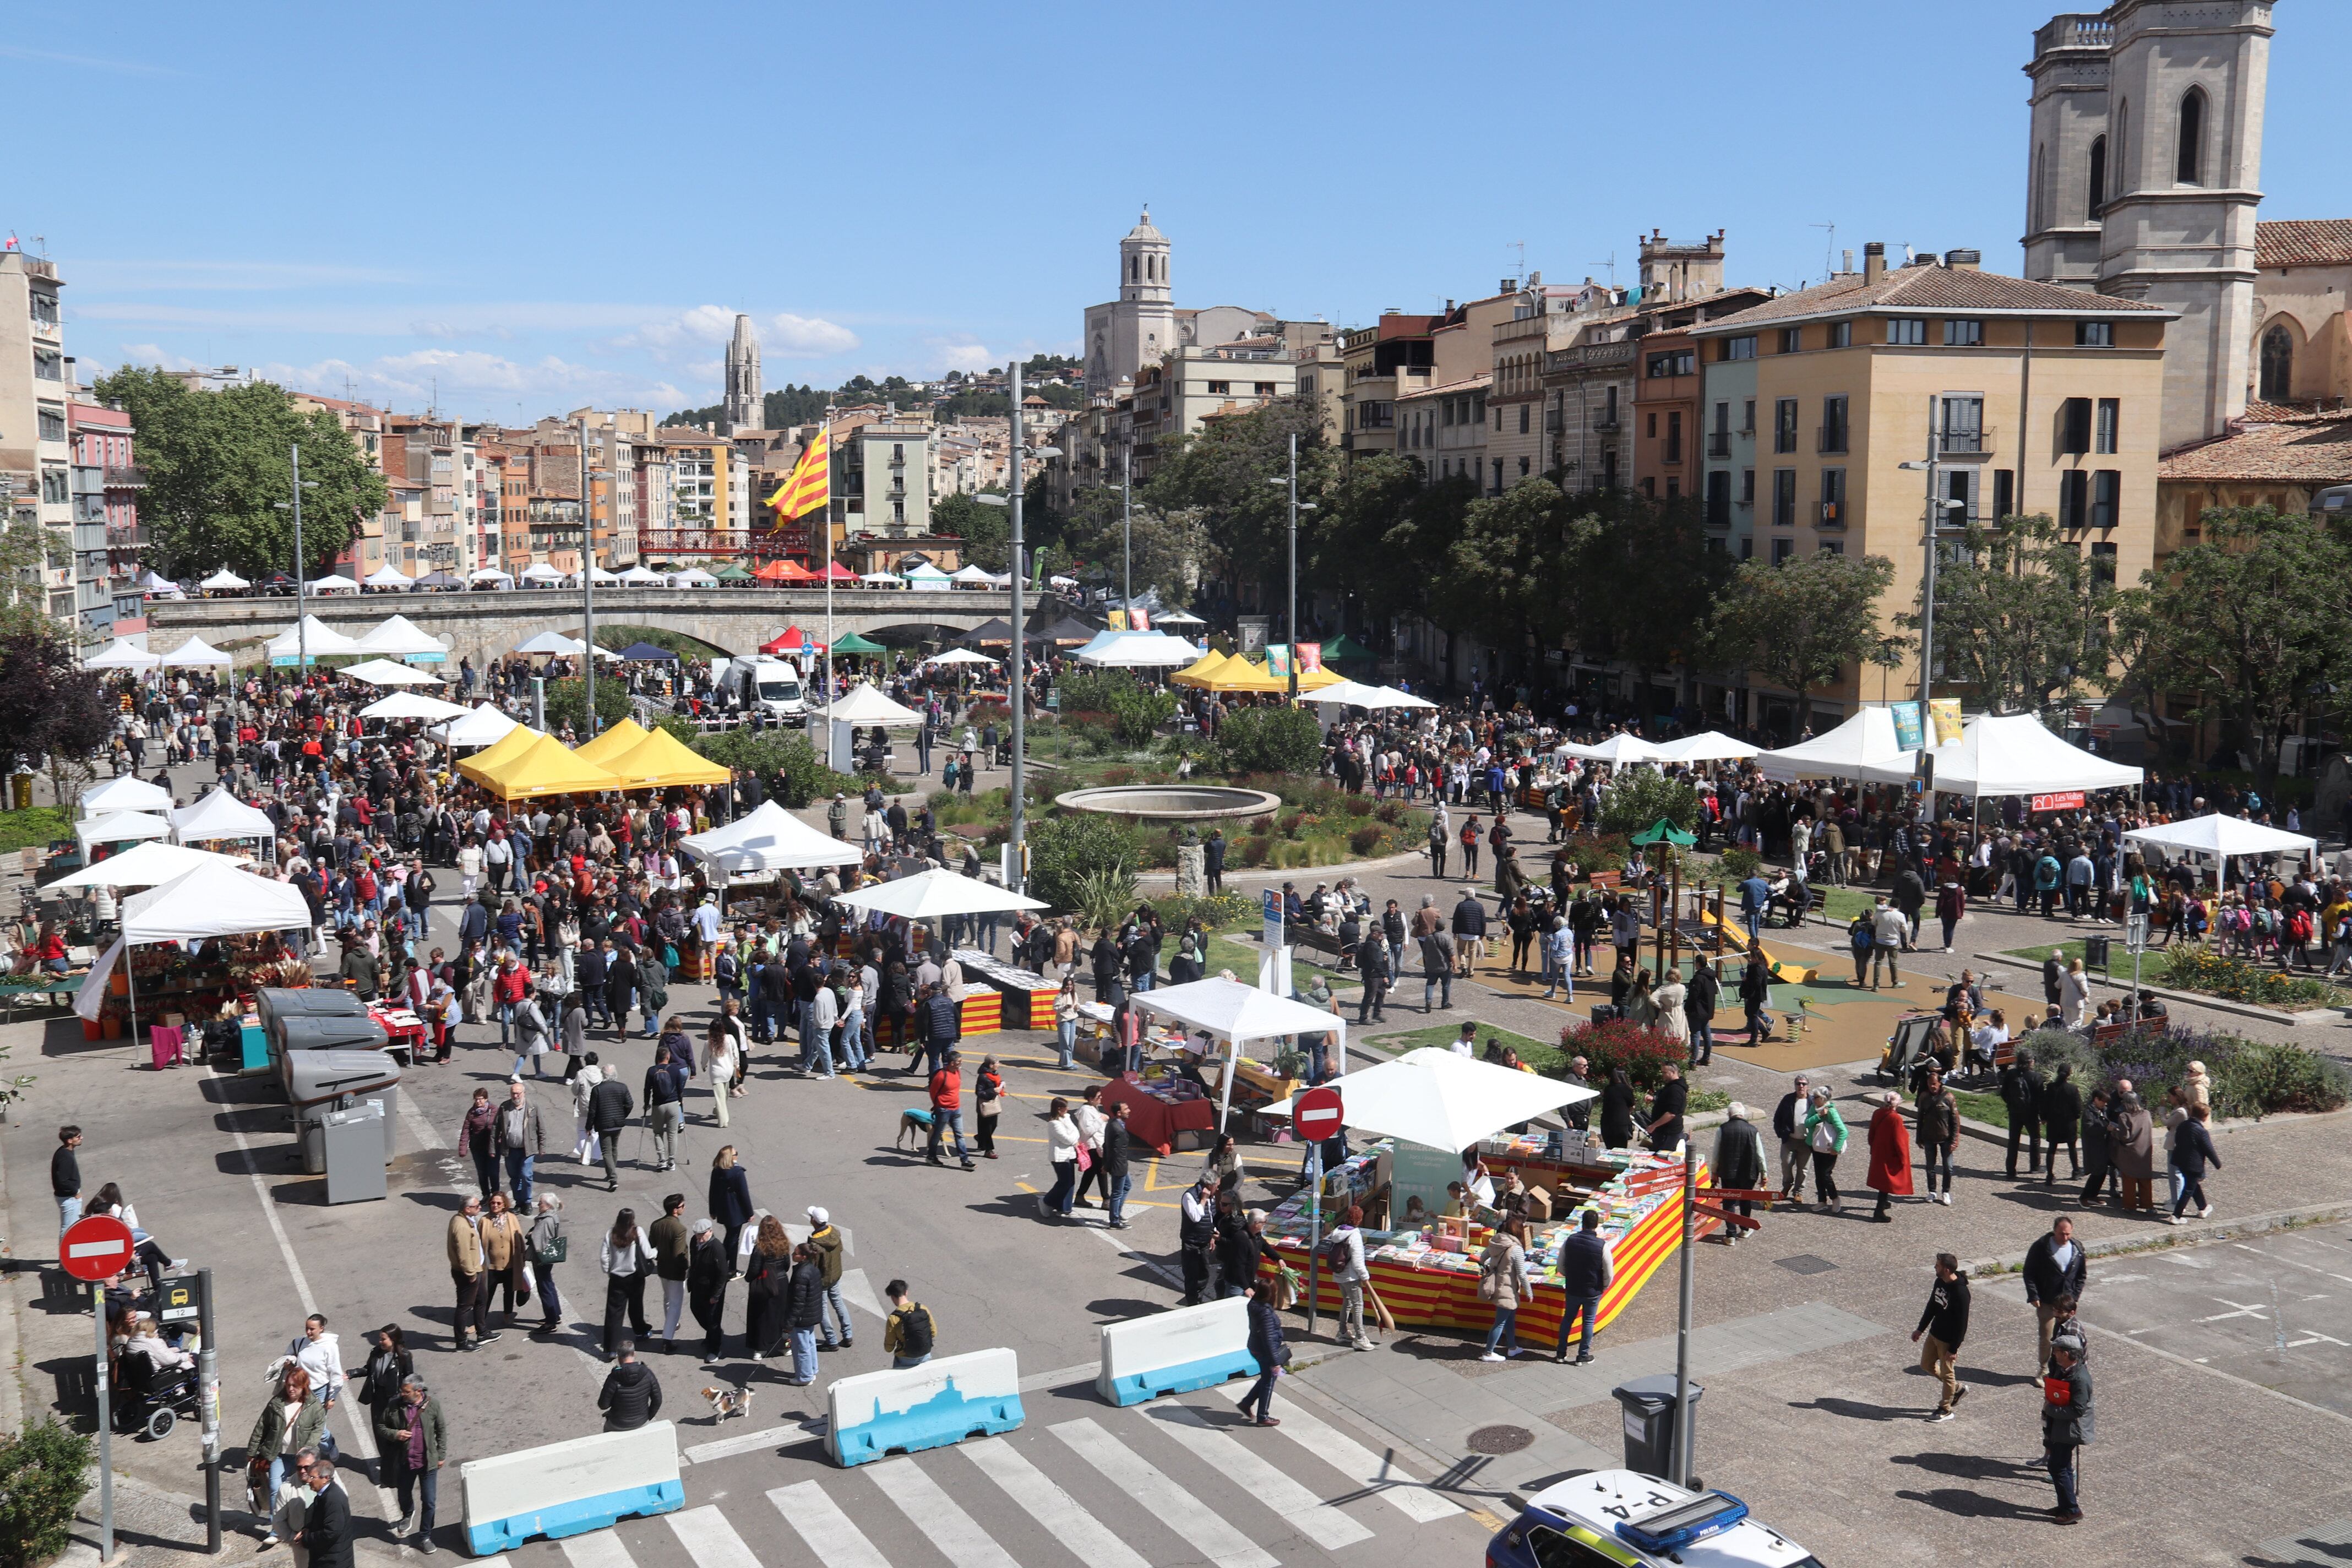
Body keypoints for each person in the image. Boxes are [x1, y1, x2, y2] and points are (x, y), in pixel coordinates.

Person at [247, 1364, 327, 1531]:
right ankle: (276, 1529)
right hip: (278, 1455)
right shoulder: (277, 1403)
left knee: (303, 1491)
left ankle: (304, 1525)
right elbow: (262, 1426)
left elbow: (318, 1427)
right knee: (276, 1490)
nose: (291, 1389)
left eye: (295, 1386)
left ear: (304, 1386)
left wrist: (308, 1447)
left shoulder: (314, 1406)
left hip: (302, 1459)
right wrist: (252, 1451)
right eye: (288, 1385)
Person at [374, 1375, 447, 1553]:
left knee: (429, 1502)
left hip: (427, 1462)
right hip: (405, 1462)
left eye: (406, 1392)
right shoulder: (395, 1405)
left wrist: (441, 1455)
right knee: (404, 1494)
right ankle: (408, 1513)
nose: (402, 1394)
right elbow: (381, 1426)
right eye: (402, 1390)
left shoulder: (433, 1405)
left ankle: (425, 1537)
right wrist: (396, 1434)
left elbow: (441, 1429)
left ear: (418, 1392)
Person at [2024, 1216, 2088, 1374]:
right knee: (2047, 1338)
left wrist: (2075, 1297)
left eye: (2068, 1234)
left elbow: (2081, 1275)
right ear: (2054, 1231)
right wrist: (2034, 1295)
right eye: (2062, 1234)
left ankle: (2063, 1368)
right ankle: (2043, 1369)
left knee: (2067, 1338)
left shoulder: (2077, 1249)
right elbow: (2029, 1271)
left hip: (2066, 1303)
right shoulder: (2041, 1247)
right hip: (2046, 1301)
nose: (2065, 1237)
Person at [1913, 1254, 1972, 1423]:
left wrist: (1954, 1349)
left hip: (1948, 1341)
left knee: (1948, 1375)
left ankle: (1946, 1409)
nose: (1935, 1268)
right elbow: (1932, 1305)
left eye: (1937, 1266)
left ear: (1946, 1270)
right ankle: (1957, 1389)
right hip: (1934, 1334)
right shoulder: (1940, 1282)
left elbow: (1962, 1325)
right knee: (1926, 1365)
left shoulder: (1961, 1293)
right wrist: (1920, 1329)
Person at [2041, 1336, 2094, 1525]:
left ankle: (2072, 1509)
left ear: (2066, 1354)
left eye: (2056, 1352)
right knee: (2060, 1466)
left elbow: (2078, 1410)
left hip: (2070, 1431)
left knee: (2058, 1467)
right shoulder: (2065, 1370)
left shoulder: (2080, 1378)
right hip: (2061, 1427)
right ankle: (2065, 1505)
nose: (2054, 1355)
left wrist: (2051, 1409)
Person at [1552, 1209, 1611, 1364]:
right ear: (1596, 1225)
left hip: (1573, 1288)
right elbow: (1609, 1272)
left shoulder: (1570, 1241)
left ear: (1582, 1223)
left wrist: (1568, 1276)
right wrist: (1603, 1286)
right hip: (1592, 1291)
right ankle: (1582, 1355)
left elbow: (1560, 1265)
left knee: (1568, 1319)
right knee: (1588, 1321)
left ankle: (1561, 1353)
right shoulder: (1602, 1245)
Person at [599, 1208, 656, 1359]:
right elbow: (648, 1253)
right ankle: (641, 1331)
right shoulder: (637, 1232)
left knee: (614, 1313)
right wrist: (657, 1252)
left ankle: (612, 1348)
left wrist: (608, 1271)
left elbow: (604, 1257)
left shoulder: (611, 1233)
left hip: (617, 1277)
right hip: (635, 1276)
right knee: (636, 1306)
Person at [1476, 1218, 1531, 1363]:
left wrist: (1492, 1266)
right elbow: (1522, 1274)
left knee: (1509, 1318)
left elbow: (1482, 1258)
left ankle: (1512, 1347)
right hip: (1507, 1289)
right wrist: (1529, 1292)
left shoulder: (1495, 1242)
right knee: (1500, 1322)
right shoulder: (1516, 1249)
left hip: (1497, 1285)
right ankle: (1488, 1353)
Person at [1709, 1102, 1765, 1246]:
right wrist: (1764, 1173)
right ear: (1743, 1114)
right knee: (1746, 1200)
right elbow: (1760, 1154)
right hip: (1749, 1172)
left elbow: (1716, 1154)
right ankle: (1745, 1229)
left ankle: (1731, 1235)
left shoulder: (1723, 1129)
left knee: (1729, 1202)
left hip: (1728, 1172)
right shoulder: (1753, 1130)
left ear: (1729, 1114)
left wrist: (1714, 1172)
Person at [493, 1079, 549, 1211]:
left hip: (527, 1150)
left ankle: (527, 1202)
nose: (516, 1096)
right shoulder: (504, 1107)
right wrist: (493, 1147)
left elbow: (541, 1127)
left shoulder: (532, 1106)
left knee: (526, 1175)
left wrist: (542, 1147)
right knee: (514, 1177)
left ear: (524, 1093)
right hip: (510, 1150)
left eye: (518, 1093)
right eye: (513, 1093)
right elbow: (496, 1128)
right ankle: (519, 1203)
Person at [1326, 1205, 1375, 1350]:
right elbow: (1358, 1262)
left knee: (1347, 1302)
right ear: (1359, 1220)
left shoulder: (1338, 1231)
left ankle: (1342, 1333)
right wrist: (1365, 1277)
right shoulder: (1354, 1235)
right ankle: (1360, 1338)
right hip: (1351, 1277)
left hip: (1338, 1274)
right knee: (1358, 1305)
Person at [805, 1206, 855, 1350]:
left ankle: (832, 1340)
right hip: (836, 1274)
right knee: (839, 1303)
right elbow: (839, 1249)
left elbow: (812, 1265)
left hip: (822, 1280)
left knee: (823, 1309)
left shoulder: (815, 1243)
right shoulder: (835, 1232)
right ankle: (848, 1335)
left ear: (814, 1220)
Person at [447, 1195, 489, 1353]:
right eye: (477, 1206)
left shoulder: (465, 1220)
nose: (480, 1208)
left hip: (477, 1268)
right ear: (467, 1209)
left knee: (482, 1299)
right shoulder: (462, 1226)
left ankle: (483, 1332)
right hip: (469, 1273)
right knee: (464, 1307)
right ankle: (461, 1342)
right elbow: (464, 1254)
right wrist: (471, 1274)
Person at [1237, 1286, 1284, 1427]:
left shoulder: (1254, 1305)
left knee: (1267, 1378)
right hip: (1265, 1351)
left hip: (1255, 1346)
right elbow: (1269, 1340)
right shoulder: (1266, 1313)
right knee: (1269, 1380)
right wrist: (1276, 1362)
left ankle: (1246, 1403)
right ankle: (1263, 1416)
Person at [1864, 1091, 1913, 1222]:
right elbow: (1899, 1141)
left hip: (1878, 1152)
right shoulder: (1896, 1119)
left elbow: (1871, 1134)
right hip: (1889, 1154)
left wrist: (1873, 1148)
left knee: (1882, 1181)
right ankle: (1879, 1211)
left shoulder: (1877, 1113)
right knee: (1886, 1183)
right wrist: (1904, 1159)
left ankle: (1884, 1203)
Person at [650, 1195, 691, 1350]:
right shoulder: (680, 1229)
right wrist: (686, 1270)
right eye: (682, 1206)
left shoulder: (656, 1225)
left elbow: (651, 1245)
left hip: (662, 1269)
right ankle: (668, 1340)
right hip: (676, 1272)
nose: (684, 1208)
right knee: (676, 1304)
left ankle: (672, 1324)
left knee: (668, 1299)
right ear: (675, 1210)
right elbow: (679, 1254)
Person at [687, 1218, 729, 1363]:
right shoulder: (695, 1242)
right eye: (697, 1235)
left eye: (702, 1235)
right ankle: (714, 1334)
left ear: (710, 1231)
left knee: (713, 1320)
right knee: (695, 1309)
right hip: (698, 1287)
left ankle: (714, 1349)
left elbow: (723, 1274)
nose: (699, 1238)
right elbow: (694, 1260)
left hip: (712, 1292)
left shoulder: (717, 1248)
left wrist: (716, 1295)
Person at [783, 1242, 826, 1386]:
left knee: (801, 1348)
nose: (793, 1255)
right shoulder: (813, 1269)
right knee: (809, 1343)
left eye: (795, 1253)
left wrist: (789, 1324)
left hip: (802, 1317)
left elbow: (798, 1302)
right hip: (811, 1314)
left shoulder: (801, 1274)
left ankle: (805, 1377)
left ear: (803, 1257)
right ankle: (812, 1370)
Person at [2170, 1102, 2220, 1223]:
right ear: (2204, 1116)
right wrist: (2217, 1164)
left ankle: (2203, 1208)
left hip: (2181, 1161)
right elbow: (2209, 1150)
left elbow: (2177, 1140)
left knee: (2193, 1185)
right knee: (2189, 1189)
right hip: (2194, 1164)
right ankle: (2176, 1216)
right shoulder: (2201, 1131)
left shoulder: (2183, 1125)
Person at [596, 1341, 662, 1431]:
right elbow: (658, 1400)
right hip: (642, 1422)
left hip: (617, 1425)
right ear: (634, 1354)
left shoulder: (614, 1377)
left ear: (619, 1356)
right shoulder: (647, 1373)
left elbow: (603, 1405)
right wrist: (647, 1417)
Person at [300, 1455, 353, 1568]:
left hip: (332, 1562)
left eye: (312, 1477)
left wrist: (306, 1538)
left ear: (325, 1478)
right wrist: (308, 1528)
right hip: (326, 1558)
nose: (309, 1481)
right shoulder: (324, 1494)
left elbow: (331, 1532)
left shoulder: (333, 1499)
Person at [926, 1051, 976, 1170]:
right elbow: (933, 1092)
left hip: (956, 1109)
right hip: (943, 1110)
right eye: (959, 1061)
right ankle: (931, 1157)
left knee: (960, 1135)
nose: (961, 1063)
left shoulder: (958, 1072)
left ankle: (964, 1160)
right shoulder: (941, 1075)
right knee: (937, 1134)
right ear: (952, 1063)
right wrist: (939, 1105)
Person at [1802, 1085, 1848, 1214]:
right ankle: (1822, 1201)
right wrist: (1819, 1115)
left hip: (1829, 1148)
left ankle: (1835, 1198)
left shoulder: (1832, 1112)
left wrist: (1836, 1148)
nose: (1813, 1099)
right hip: (1815, 1146)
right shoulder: (1814, 1108)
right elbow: (1807, 1123)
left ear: (1823, 1099)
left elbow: (1843, 1131)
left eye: (1816, 1097)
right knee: (1818, 1175)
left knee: (1825, 1175)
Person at [1915, 1069, 1959, 1205]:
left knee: (1948, 1167)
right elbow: (1920, 1118)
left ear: (1940, 1083)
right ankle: (1932, 1191)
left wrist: (1955, 1140)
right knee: (1930, 1167)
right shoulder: (1923, 1097)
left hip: (1946, 1138)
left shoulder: (1949, 1098)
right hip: (1928, 1137)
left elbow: (1956, 1121)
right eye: (1930, 1084)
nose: (1932, 1087)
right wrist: (1919, 1137)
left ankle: (1946, 1192)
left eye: (1934, 1084)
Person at [2000, 1050, 2045, 1179]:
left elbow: (2004, 1093)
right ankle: (2035, 1166)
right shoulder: (2036, 1077)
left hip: (2015, 1112)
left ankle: (2010, 1169)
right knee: (2035, 1139)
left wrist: (2010, 1104)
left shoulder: (2011, 1074)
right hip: (2031, 1113)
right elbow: (2041, 1098)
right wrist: (2042, 1116)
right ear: (2030, 1062)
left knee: (2014, 1141)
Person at [709, 1146, 755, 1267]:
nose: (737, 1155)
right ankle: (731, 1268)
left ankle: (722, 1262)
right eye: (736, 1154)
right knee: (733, 1240)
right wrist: (750, 1213)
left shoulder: (717, 1171)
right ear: (731, 1157)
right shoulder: (738, 1173)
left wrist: (712, 1210)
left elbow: (712, 1192)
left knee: (730, 1236)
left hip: (723, 1210)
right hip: (736, 1212)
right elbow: (744, 1194)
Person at [526, 1196, 565, 1337]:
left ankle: (550, 1322)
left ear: (548, 1205)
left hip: (542, 1259)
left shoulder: (545, 1221)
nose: (538, 1204)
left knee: (545, 1289)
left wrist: (530, 1234)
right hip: (549, 1258)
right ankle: (555, 1314)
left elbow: (537, 1240)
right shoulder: (553, 1216)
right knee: (549, 1285)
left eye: (541, 1203)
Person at [2040, 1064, 2084, 1185]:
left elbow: (2045, 1105)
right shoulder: (2073, 1089)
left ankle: (2050, 1176)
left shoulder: (2051, 1087)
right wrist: (2075, 1117)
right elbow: (2078, 1108)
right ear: (2069, 1075)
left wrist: (2044, 1118)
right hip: (2069, 1124)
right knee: (2072, 1148)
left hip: (2054, 1123)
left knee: (2052, 1149)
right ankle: (2075, 1171)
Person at [883, 1278, 938, 1369]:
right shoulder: (922, 1308)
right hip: (925, 1354)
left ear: (893, 1297)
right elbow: (933, 1332)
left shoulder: (893, 1318)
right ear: (906, 1292)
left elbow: (889, 1347)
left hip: (905, 1359)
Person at [1772, 1076, 1812, 1200]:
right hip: (1789, 1140)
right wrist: (1781, 1133)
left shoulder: (1812, 1102)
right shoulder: (1788, 1099)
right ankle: (1787, 1186)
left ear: (1808, 1086)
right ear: (1795, 1085)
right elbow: (1777, 1118)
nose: (1801, 1086)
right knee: (1786, 1163)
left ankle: (1799, 1192)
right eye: (1798, 1084)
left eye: (1804, 1084)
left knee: (1803, 1168)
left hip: (1806, 1142)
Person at [1041, 1097, 1080, 1218]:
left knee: (1070, 1182)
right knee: (1064, 1183)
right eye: (1065, 1107)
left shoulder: (1066, 1118)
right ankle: (1046, 1201)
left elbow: (1076, 1132)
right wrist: (1074, 1138)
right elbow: (1067, 1139)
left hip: (1069, 1156)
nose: (1068, 1109)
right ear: (1059, 1109)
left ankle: (1063, 1207)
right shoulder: (1053, 1123)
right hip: (1059, 1158)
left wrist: (1073, 1136)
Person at [1645, 1062, 1689, 1153]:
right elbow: (1667, 1102)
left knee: (1663, 1157)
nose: (1662, 1075)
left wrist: (1654, 1126)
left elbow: (1671, 1114)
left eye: (1665, 1072)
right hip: (1663, 1131)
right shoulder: (1671, 1086)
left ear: (1673, 1072)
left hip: (1668, 1133)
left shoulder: (1676, 1090)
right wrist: (1654, 1099)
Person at [52, 1124, 81, 1234]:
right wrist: (75, 1192)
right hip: (69, 1198)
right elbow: (62, 1181)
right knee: (68, 1229)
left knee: (73, 1228)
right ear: (70, 1140)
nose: (81, 1138)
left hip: (69, 1197)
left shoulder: (65, 1152)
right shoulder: (65, 1157)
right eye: (78, 1137)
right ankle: (65, 1250)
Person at [1598, 1066, 1636, 1151]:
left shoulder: (1608, 1089)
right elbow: (1632, 1105)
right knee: (1621, 1150)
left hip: (1606, 1123)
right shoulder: (1626, 1089)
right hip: (1621, 1123)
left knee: (1609, 1149)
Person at [974, 1055, 1004, 1159]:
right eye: (997, 1063)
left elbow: (996, 1083)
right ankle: (989, 1150)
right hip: (985, 1106)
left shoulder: (994, 1074)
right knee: (987, 1128)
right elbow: (979, 1092)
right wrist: (992, 1091)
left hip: (992, 1104)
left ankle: (981, 1139)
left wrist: (1001, 1085)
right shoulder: (983, 1077)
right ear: (991, 1065)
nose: (999, 1065)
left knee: (994, 1125)